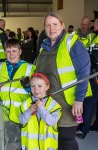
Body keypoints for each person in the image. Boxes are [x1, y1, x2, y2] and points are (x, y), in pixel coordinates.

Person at [35, 11, 92, 150]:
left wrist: (79, 100)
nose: (51, 28)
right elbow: (38, 71)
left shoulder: (72, 44)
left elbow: (84, 74)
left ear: (62, 25)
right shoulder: (44, 47)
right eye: (48, 25)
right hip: (49, 102)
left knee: (67, 139)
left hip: (68, 103)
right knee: (53, 138)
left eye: (55, 24)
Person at [0, 38, 36, 150]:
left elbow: (37, 90)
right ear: (5, 52)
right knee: (10, 141)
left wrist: (28, 86)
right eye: (8, 51)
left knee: (24, 141)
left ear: (20, 52)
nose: (11, 54)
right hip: (6, 113)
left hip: (24, 112)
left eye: (14, 51)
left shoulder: (30, 68)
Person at [19, 72, 62, 150]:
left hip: (47, 147)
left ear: (47, 87)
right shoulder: (26, 103)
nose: (36, 89)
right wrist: (30, 110)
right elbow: (21, 120)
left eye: (40, 86)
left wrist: (42, 108)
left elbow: (51, 121)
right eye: (33, 86)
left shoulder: (54, 105)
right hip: (30, 146)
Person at [76, 18, 98, 139]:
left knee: (86, 101)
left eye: (86, 24)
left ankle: (83, 128)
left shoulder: (92, 37)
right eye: (82, 24)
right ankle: (83, 124)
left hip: (90, 74)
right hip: (81, 73)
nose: (84, 26)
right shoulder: (75, 35)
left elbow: (93, 57)